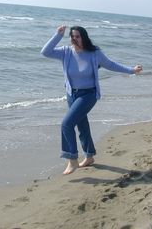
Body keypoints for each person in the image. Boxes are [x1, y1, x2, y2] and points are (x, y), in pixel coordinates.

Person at [41, 25, 142, 175]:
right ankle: (89, 156)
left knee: (66, 124)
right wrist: (57, 35)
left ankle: (72, 160)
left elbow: (111, 65)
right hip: (71, 94)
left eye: (77, 36)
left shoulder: (94, 53)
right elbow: (45, 52)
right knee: (82, 125)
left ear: (84, 37)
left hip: (88, 95)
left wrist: (131, 70)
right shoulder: (65, 52)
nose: (74, 39)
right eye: (72, 36)